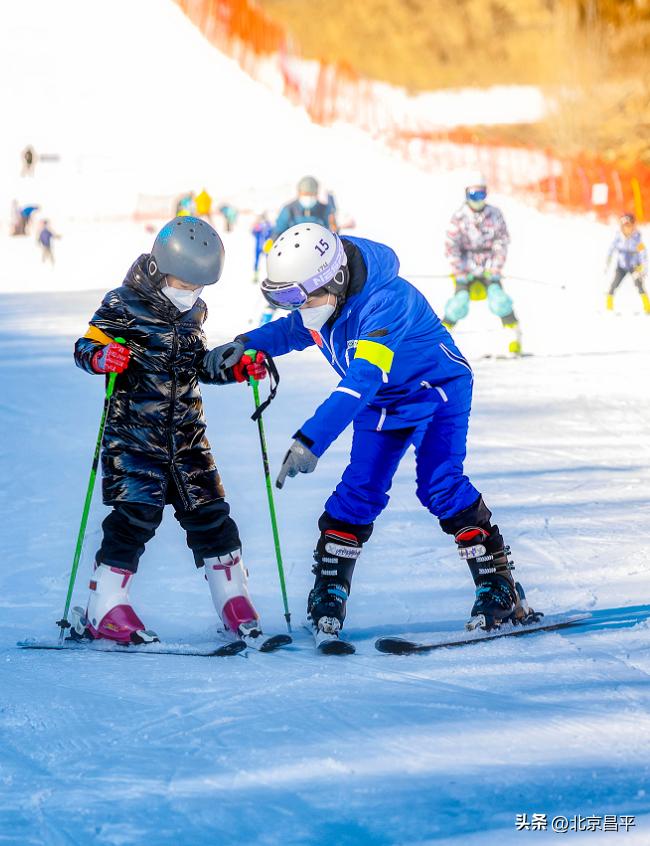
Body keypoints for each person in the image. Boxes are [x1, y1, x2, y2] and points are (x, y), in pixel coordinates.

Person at [203, 223, 536, 647]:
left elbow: (362, 378)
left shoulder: (387, 302)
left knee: (440, 485)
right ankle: (329, 591)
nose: (297, 307)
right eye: (285, 298)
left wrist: (311, 439)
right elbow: (291, 331)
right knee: (359, 491)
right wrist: (246, 344)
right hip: (382, 399)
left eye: (298, 297)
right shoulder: (321, 302)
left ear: (336, 279)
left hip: (435, 391)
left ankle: (498, 586)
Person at [72, 216, 271, 648]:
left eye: (199, 287)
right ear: (162, 269)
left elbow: (196, 364)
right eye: (184, 283)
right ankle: (104, 605)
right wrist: (103, 356)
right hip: (135, 436)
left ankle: (233, 599)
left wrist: (234, 367)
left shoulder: (194, 311)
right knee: (134, 518)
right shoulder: (122, 303)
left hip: (187, 438)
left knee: (212, 515)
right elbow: (85, 346)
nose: (191, 294)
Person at [444, 171, 521, 354]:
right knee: (458, 305)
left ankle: (514, 337)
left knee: (499, 301)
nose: (478, 199)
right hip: (466, 269)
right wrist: (459, 270)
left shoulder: (494, 214)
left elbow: (501, 242)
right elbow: (451, 246)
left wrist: (495, 267)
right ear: (466, 194)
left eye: (481, 194)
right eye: (473, 195)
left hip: (489, 268)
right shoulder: (459, 217)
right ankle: (439, 338)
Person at [605, 212, 649, 314]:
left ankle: (647, 306)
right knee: (614, 284)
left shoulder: (637, 239)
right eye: (625, 226)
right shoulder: (618, 238)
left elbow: (643, 255)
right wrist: (608, 261)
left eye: (629, 226)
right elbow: (611, 249)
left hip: (634, 266)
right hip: (622, 266)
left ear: (633, 226)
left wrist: (643, 269)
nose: (627, 229)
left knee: (639, 285)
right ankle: (608, 305)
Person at [271, 176, 337, 241]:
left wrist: (333, 227)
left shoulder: (325, 210)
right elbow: (277, 234)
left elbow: (333, 233)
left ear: (316, 193)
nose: (308, 197)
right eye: (305, 194)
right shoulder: (288, 210)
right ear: (299, 192)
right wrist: (268, 248)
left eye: (311, 194)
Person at [251, 212, 273, 284]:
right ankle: (259, 276)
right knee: (267, 261)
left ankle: (257, 276)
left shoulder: (259, 225)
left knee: (264, 261)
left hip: (261, 245)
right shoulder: (267, 225)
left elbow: (253, 232)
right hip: (265, 246)